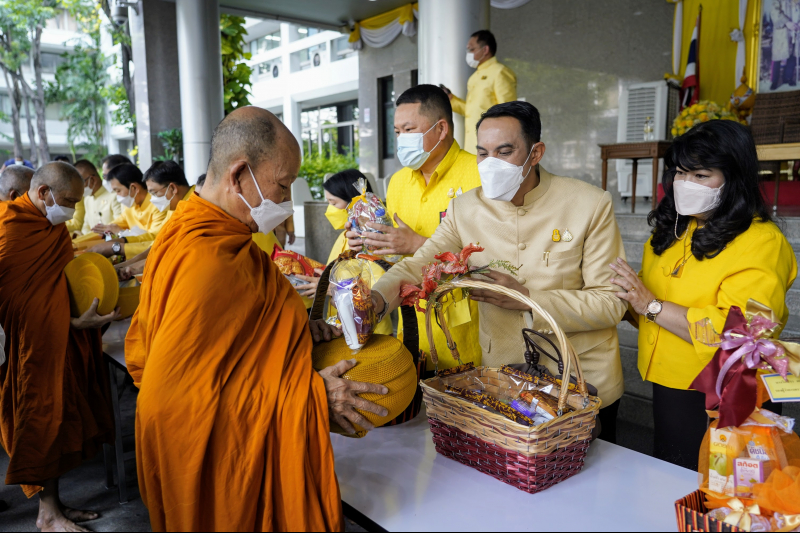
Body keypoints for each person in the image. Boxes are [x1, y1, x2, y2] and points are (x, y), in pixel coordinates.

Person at [125, 106, 388, 532]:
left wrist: (295, 328)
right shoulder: (204, 260)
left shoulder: (219, 236)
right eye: (282, 185)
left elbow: (238, 334)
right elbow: (173, 403)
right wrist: (309, 398)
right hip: (217, 470)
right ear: (238, 175)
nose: (285, 201)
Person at [371, 101, 627, 442]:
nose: (490, 163)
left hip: (582, 380)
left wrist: (528, 299)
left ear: (536, 153)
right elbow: (421, 264)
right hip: (505, 380)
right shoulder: (465, 209)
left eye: (504, 152)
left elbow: (611, 302)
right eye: (482, 153)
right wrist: (376, 300)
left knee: (589, 472)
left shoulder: (589, 204)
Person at [609, 120, 797, 469]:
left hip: (724, 389)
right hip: (670, 380)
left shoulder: (762, 242)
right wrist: (614, 297)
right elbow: (645, 305)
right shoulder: (671, 231)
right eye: (680, 173)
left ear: (734, 178)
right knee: (672, 476)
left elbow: (740, 332)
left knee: (720, 486)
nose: (685, 184)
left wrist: (649, 304)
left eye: (701, 175)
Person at [0, 162, 118, 532]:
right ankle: (48, 515)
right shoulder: (9, 228)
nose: (72, 209)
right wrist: (70, 322)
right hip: (29, 349)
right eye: (69, 201)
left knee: (61, 419)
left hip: (58, 340)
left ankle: (54, 507)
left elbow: (59, 280)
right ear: (42, 193)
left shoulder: (48, 225)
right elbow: (12, 303)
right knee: (40, 420)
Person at [347, 84, 483, 370]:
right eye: (397, 132)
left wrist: (418, 244)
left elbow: (496, 256)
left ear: (441, 128)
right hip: (411, 321)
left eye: (409, 130)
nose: (401, 140)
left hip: (465, 324)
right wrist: (368, 240)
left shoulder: (479, 174)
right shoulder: (398, 182)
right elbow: (393, 253)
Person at [296, 169, 393, 335]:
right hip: (343, 325)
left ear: (355, 204)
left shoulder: (372, 242)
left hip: (371, 331)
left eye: (334, 203)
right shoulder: (345, 236)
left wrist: (330, 288)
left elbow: (377, 291)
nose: (329, 210)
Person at [440, 30, 517, 155]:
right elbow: (472, 111)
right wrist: (451, 100)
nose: (468, 53)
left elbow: (509, 111)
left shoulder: (500, 72)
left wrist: (503, 147)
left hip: (492, 145)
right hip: (473, 144)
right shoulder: (474, 77)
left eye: (471, 49)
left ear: (485, 50)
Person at [88, 163, 169, 260]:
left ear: (134, 188)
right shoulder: (131, 205)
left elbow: (155, 238)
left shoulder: (158, 205)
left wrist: (121, 234)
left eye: (118, 191)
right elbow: (115, 224)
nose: (117, 196)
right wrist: (105, 229)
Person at [65, 159, 123, 236]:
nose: (77, 188)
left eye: (79, 184)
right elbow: (86, 227)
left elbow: (119, 225)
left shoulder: (115, 195)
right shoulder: (87, 199)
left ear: (92, 180)